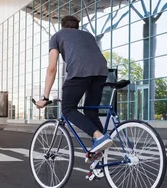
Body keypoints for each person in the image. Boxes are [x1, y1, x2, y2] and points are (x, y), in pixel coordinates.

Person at [34, 15, 113, 154]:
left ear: (62, 26)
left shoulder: (57, 36)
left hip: (79, 72)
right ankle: (99, 153)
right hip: (101, 72)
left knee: (68, 109)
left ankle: (98, 136)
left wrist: (45, 97)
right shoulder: (88, 35)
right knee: (90, 111)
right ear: (77, 26)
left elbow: (52, 68)